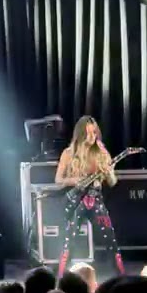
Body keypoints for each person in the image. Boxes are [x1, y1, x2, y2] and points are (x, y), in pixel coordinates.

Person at [53, 115, 123, 277]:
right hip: (76, 201)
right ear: (80, 134)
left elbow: (112, 182)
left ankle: (121, 277)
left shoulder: (102, 152)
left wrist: (109, 173)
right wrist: (73, 180)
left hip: (96, 200)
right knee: (69, 242)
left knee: (110, 240)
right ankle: (60, 279)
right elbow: (58, 180)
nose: (92, 137)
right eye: (88, 133)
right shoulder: (69, 153)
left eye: (94, 133)